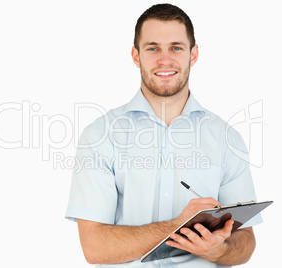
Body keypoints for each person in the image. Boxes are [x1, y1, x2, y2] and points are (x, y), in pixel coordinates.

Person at [66, 3, 261, 267]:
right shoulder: (100, 135)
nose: (165, 59)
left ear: (193, 55)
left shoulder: (227, 139)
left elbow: (245, 242)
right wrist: (177, 226)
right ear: (136, 56)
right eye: (153, 48)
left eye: (176, 48)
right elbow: (94, 248)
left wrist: (217, 250)